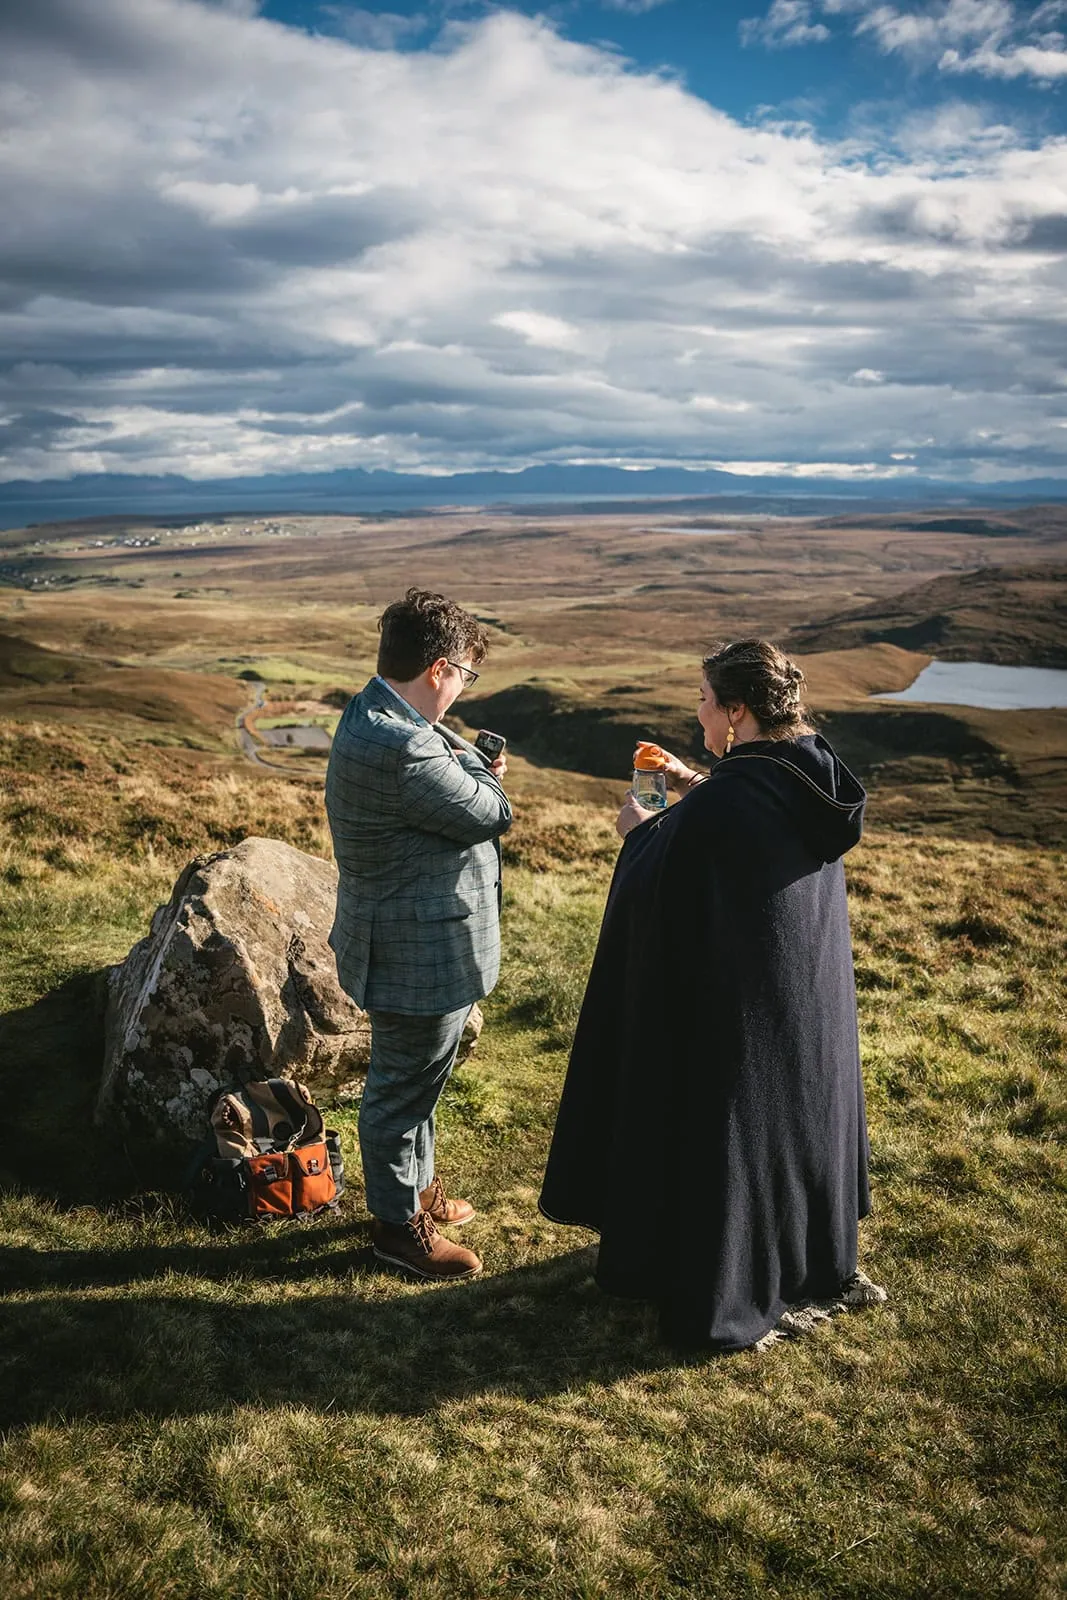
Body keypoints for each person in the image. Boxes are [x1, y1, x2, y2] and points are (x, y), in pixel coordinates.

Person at [539, 639, 882, 1351]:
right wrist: (695, 785)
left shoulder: (730, 801)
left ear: (736, 711)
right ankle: (808, 1257)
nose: (694, 709)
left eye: (703, 699)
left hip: (737, 1013)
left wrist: (639, 835)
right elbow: (746, 820)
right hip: (799, 1003)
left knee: (733, 1130)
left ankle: (730, 1277)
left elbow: (664, 886)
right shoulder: (804, 771)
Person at [325, 588, 512, 1282]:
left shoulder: (375, 709)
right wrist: (481, 772)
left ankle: (417, 1192)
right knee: (400, 1093)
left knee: (420, 1081)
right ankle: (397, 1230)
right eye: (464, 675)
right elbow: (492, 812)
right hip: (415, 953)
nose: (462, 691)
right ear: (438, 669)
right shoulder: (404, 744)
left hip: (405, 936)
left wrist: (461, 762)